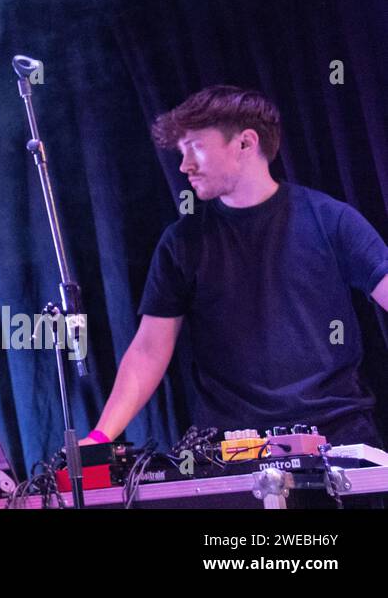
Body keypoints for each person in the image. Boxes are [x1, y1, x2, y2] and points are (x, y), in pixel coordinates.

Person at [84, 85, 388, 450]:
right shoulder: (182, 242)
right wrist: (100, 437)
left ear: (245, 143)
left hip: (336, 434)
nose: (184, 165)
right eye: (181, 151)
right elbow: (149, 350)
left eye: (194, 145)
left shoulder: (331, 220)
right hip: (231, 445)